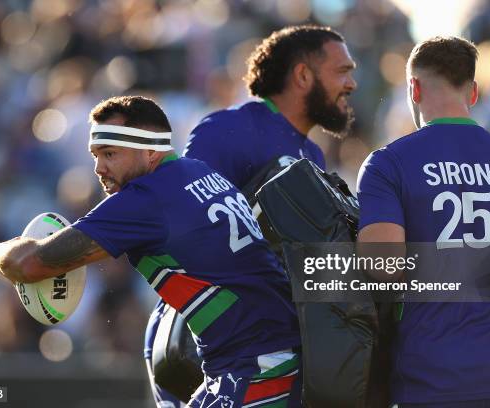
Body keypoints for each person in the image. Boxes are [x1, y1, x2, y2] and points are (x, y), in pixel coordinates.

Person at [0, 96, 303, 408]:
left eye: (110, 153)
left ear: (151, 150)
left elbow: (28, 265)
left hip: (257, 368)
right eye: (95, 155)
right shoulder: (201, 171)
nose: (98, 167)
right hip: (268, 356)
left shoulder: (144, 200)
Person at [144, 25, 358, 407]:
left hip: (267, 346)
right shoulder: (231, 128)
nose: (351, 83)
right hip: (209, 341)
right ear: (303, 75)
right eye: (342, 70)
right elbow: (182, 220)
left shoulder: (313, 154)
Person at [357, 36, 490, 407]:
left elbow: (383, 265)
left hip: (435, 377)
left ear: (413, 87)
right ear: (473, 92)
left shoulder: (388, 164)